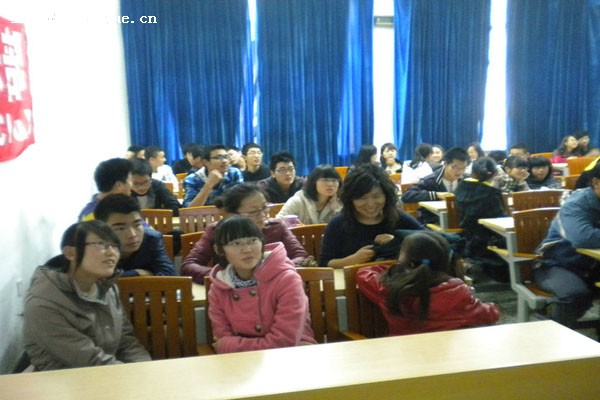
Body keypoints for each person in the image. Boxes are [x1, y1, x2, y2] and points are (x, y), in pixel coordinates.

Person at [23, 221, 151, 371]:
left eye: (115, 246)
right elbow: (89, 360)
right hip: (66, 380)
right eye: (100, 244)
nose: (111, 252)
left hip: (107, 373)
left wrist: (146, 368)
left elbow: (126, 340)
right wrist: (137, 376)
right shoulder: (43, 304)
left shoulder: (107, 288)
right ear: (70, 253)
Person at [208, 216, 317, 353]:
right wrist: (227, 345)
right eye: (236, 243)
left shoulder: (287, 280)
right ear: (219, 250)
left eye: (253, 240)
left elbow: (284, 342)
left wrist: (229, 345)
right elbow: (222, 336)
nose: (247, 249)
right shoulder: (219, 287)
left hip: (292, 355)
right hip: (239, 360)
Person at [356, 231, 499, 336]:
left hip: (404, 355)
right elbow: (490, 315)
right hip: (449, 357)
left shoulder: (392, 289)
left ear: (409, 264)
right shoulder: (458, 291)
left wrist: (397, 267)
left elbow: (363, 273)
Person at [181, 184, 308, 284]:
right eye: (253, 212)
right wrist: (228, 276)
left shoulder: (276, 227)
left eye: (265, 208)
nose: (262, 215)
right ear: (231, 215)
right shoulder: (217, 231)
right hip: (230, 292)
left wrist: (273, 272)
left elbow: (301, 257)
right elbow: (189, 266)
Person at [320, 164, 425, 269]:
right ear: (350, 199)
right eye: (362, 198)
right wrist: (352, 260)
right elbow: (325, 263)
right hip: (351, 278)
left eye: (376, 196)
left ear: (386, 195)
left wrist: (399, 239)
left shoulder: (398, 218)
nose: (370, 204)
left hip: (395, 278)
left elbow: (431, 239)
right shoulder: (338, 224)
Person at [534, 162, 600, 327]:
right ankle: (555, 335)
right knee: (575, 295)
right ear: (596, 182)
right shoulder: (576, 204)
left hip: (592, 264)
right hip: (557, 264)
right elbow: (583, 238)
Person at [94, 194, 176, 277]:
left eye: (137, 225)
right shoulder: (93, 247)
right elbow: (95, 281)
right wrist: (140, 273)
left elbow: (170, 276)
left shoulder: (151, 239)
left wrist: (133, 274)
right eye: (120, 228)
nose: (132, 235)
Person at [455, 157, 508, 282]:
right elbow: (499, 219)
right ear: (495, 174)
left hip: (466, 237)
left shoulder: (460, 187)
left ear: (472, 172)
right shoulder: (492, 193)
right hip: (488, 239)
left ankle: (472, 263)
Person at [401, 147, 469, 225]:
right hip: (433, 222)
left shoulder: (467, 181)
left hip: (459, 221)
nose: (460, 172)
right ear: (445, 164)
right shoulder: (431, 180)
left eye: (463, 168)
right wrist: (436, 195)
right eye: (455, 167)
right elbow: (407, 195)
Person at [276, 164, 342, 225]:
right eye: (325, 180)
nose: (330, 184)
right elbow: (277, 223)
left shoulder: (340, 202)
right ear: (314, 182)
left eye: (334, 180)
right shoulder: (298, 201)